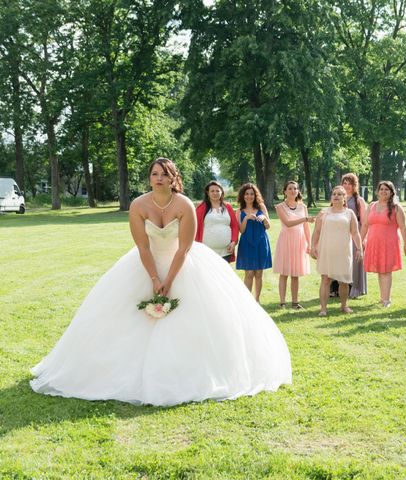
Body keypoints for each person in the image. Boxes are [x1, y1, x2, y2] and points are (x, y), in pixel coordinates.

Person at [30, 158, 291, 406]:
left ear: (173, 178)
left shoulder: (184, 205)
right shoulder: (138, 205)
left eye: (164, 174)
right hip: (147, 263)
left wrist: (169, 279)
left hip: (183, 263)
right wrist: (155, 278)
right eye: (154, 174)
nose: (158, 178)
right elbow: (142, 247)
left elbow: (184, 249)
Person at [311, 186, 363, 316]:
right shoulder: (324, 212)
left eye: (340, 194)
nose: (336, 196)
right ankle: (323, 308)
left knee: (343, 280)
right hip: (327, 250)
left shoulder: (349, 213)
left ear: (344, 198)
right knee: (326, 279)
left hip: (343, 251)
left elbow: (355, 233)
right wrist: (313, 246)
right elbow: (316, 232)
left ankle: (344, 305)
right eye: (334, 194)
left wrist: (360, 249)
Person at [360, 181, 406, 308]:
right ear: (377, 191)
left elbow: (403, 227)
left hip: (389, 243)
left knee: (386, 271)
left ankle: (387, 300)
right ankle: (382, 298)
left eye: (386, 189)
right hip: (373, 242)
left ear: (391, 192)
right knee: (379, 270)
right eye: (381, 189)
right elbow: (365, 225)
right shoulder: (371, 206)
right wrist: (360, 241)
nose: (383, 191)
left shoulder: (396, 208)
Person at [273, 181, 314, 309]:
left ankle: (295, 302)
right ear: (285, 191)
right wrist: (305, 219)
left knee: (296, 272)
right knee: (284, 272)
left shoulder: (303, 207)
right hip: (286, 240)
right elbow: (288, 223)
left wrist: (309, 244)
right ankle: (282, 302)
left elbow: (306, 228)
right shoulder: (280, 207)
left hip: (299, 240)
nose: (292, 191)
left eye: (295, 188)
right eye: (290, 188)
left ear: (298, 191)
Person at [329, 173, 368, 299]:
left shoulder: (359, 201)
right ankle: (335, 289)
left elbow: (364, 222)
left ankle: (354, 288)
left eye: (349, 183)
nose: (347, 186)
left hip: (355, 233)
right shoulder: (338, 198)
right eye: (344, 183)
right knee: (338, 261)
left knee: (354, 262)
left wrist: (361, 239)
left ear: (354, 185)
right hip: (340, 234)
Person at [236, 183, 272, 303]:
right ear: (243, 195)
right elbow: (241, 230)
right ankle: (247, 300)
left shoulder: (261, 208)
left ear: (255, 195)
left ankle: (257, 300)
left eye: (252, 194)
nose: (249, 196)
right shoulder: (239, 211)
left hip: (261, 242)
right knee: (249, 273)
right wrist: (246, 218)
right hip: (247, 243)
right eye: (247, 194)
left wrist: (264, 219)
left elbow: (268, 226)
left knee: (258, 273)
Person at [195, 180, 239, 262]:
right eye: (212, 191)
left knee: (224, 274)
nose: (215, 193)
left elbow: (234, 226)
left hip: (226, 252)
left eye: (217, 191)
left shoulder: (228, 207)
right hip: (207, 251)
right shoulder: (201, 208)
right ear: (207, 193)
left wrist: (233, 242)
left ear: (221, 192)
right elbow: (195, 228)